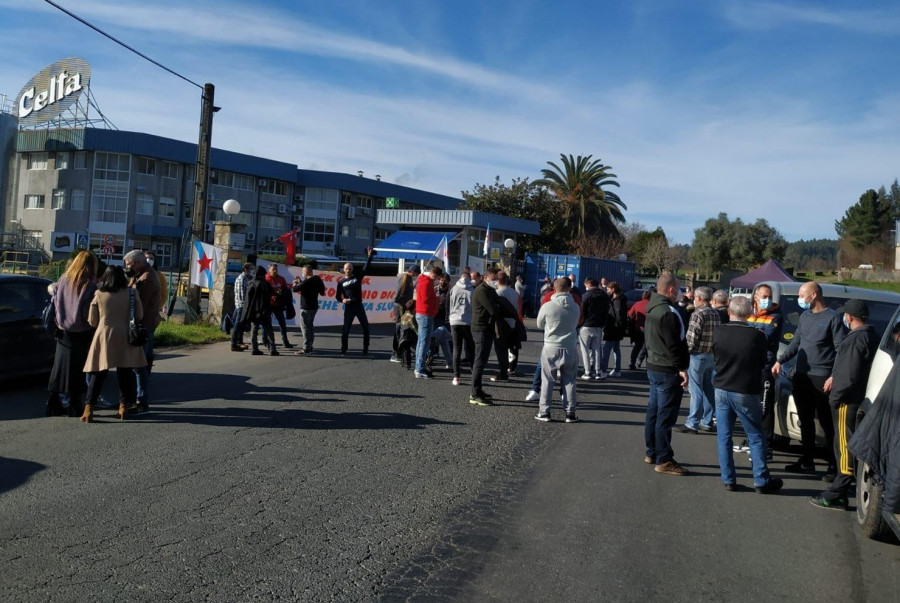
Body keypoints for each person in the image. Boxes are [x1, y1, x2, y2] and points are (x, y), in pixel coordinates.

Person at [810, 300, 879, 510]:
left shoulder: (856, 339)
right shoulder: (870, 335)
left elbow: (849, 375)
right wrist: (834, 376)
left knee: (844, 446)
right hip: (855, 397)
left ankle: (838, 492)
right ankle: (842, 486)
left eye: (845, 316)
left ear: (849, 317)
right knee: (845, 444)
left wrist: (835, 397)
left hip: (846, 401)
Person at [772, 281, 845, 476]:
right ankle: (807, 459)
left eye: (802, 295)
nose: (800, 299)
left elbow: (840, 350)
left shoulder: (833, 318)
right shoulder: (805, 316)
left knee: (826, 421)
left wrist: (834, 375)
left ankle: (833, 463)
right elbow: (796, 343)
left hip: (822, 378)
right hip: (802, 375)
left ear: (813, 296)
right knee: (805, 420)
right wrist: (781, 360)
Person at [712, 296, 784, 493]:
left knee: (724, 436)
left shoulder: (719, 331)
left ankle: (728, 478)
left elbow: (715, 355)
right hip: (745, 389)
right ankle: (761, 480)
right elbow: (762, 362)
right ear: (750, 313)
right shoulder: (757, 336)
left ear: (729, 312)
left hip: (721, 387)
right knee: (755, 434)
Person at [82, 265, 147, 422]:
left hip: (104, 335)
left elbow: (92, 321)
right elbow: (139, 315)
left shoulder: (99, 294)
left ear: (106, 277)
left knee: (98, 372)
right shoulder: (132, 293)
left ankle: (89, 408)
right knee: (125, 373)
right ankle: (123, 406)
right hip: (126, 335)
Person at [643, 274, 690, 476]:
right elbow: (674, 344)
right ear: (671, 290)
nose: (679, 292)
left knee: (654, 411)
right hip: (668, 368)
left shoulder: (652, 307)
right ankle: (664, 458)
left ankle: (652, 451)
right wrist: (682, 368)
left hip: (654, 365)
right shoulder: (668, 312)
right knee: (665, 416)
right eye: (678, 288)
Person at [46, 251, 98, 417]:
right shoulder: (89, 285)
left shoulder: (63, 280)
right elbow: (87, 312)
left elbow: (55, 302)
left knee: (59, 368)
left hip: (62, 330)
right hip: (82, 331)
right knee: (78, 370)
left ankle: (52, 402)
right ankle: (75, 405)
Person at [534, 277, 582, 423]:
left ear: (554, 289)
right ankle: (570, 413)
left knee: (547, 380)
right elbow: (578, 322)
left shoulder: (548, 306)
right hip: (570, 347)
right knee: (569, 381)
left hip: (551, 346)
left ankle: (544, 411)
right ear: (569, 288)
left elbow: (539, 324)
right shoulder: (576, 307)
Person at [747, 283, 782, 457]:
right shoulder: (750, 314)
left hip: (765, 367)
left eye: (769, 297)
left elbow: (765, 337)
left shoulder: (775, 316)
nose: (767, 300)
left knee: (765, 406)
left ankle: (767, 444)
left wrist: (750, 335)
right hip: (748, 367)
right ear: (755, 297)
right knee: (749, 405)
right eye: (764, 296)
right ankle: (751, 438)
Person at [124, 249, 161, 414]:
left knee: (140, 365)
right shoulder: (141, 274)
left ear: (138, 263)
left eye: (129, 265)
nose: (127, 268)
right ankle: (140, 398)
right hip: (145, 324)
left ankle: (141, 400)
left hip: (143, 325)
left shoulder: (146, 279)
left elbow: (139, 304)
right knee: (141, 364)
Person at [680, 286, 720, 434]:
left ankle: (692, 423)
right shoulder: (715, 312)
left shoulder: (698, 314)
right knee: (709, 388)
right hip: (711, 355)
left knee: (696, 390)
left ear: (698, 298)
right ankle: (707, 421)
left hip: (698, 355)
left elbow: (691, 338)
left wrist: (686, 354)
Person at [469, 268, 502, 405]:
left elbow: (498, 303)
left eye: (497, 279)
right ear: (486, 277)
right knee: (479, 361)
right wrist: (496, 306)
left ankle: (479, 390)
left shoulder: (490, 290)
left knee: (482, 361)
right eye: (494, 279)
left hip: (487, 328)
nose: (496, 282)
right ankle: (475, 394)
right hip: (480, 328)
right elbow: (493, 309)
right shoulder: (481, 290)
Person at [336, 247, 376, 355]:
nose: (348, 270)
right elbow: (337, 297)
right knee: (346, 329)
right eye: (346, 268)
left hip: (358, 306)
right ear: (343, 270)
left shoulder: (357, 277)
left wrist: (369, 257)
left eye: (350, 268)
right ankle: (343, 349)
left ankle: (365, 349)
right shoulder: (341, 282)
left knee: (366, 327)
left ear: (352, 269)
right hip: (349, 308)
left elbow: (366, 267)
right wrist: (343, 300)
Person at [291, 265, 326, 355]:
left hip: (306, 307)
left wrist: (295, 282)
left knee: (305, 328)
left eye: (303, 272)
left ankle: (306, 348)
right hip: (314, 307)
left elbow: (295, 289)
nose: (302, 273)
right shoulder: (317, 279)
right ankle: (310, 345)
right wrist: (302, 282)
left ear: (306, 272)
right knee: (310, 326)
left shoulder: (307, 281)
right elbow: (322, 291)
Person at [413, 264, 441, 378]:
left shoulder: (423, 281)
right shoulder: (426, 283)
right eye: (437, 277)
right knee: (424, 342)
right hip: (425, 313)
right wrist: (438, 298)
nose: (437, 280)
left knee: (421, 342)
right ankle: (420, 369)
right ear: (434, 274)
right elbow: (426, 299)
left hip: (422, 313)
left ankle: (418, 367)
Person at [243, 266, 278, 356]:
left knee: (254, 330)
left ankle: (255, 349)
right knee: (269, 330)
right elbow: (273, 293)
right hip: (264, 311)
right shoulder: (265, 284)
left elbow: (247, 300)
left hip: (254, 312)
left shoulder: (251, 283)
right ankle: (272, 349)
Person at [579, 277, 609, 380]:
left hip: (586, 325)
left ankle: (587, 372)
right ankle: (598, 371)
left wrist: (581, 323)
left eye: (586, 285)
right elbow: (606, 311)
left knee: (585, 350)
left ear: (589, 284)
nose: (585, 287)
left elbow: (582, 311)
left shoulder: (586, 295)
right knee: (597, 349)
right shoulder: (604, 295)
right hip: (598, 326)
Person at [449, 272, 475, 386]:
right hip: (468, 321)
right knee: (470, 348)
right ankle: (474, 374)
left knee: (457, 349)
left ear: (460, 278)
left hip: (455, 320)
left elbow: (449, 304)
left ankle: (456, 376)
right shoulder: (472, 290)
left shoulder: (454, 288)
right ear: (469, 279)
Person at [390, 265, 420, 362]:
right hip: (400, 305)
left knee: (404, 327)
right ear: (412, 272)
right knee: (399, 327)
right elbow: (398, 290)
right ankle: (395, 353)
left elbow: (411, 287)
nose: (416, 275)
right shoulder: (403, 277)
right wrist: (396, 302)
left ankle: (400, 352)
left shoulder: (409, 278)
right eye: (416, 274)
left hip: (404, 305)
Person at [494, 271, 520, 379]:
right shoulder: (514, 292)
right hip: (513, 322)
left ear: (497, 281)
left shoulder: (497, 292)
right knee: (513, 347)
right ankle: (512, 368)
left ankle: (503, 371)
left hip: (501, 323)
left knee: (501, 348)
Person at [600, 281, 627, 378]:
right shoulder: (620, 299)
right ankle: (617, 370)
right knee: (616, 349)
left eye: (608, 289)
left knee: (606, 349)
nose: (607, 291)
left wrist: (618, 326)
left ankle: (603, 370)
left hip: (613, 328)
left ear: (613, 289)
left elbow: (618, 314)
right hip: (617, 328)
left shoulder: (617, 301)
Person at [266, 263, 294, 349]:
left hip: (279, 305)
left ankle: (285, 341)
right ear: (269, 270)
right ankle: (266, 341)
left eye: (276, 269)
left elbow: (285, 290)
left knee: (282, 323)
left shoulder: (281, 279)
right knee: (267, 324)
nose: (275, 271)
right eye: (273, 269)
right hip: (269, 304)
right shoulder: (266, 279)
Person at [430, 272, 453, 370]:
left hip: (447, 317)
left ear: (448, 282)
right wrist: (438, 300)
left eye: (445, 281)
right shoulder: (434, 289)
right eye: (441, 280)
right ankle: (431, 356)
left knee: (449, 339)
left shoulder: (451, 291)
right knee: (433, 337)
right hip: (435, 316)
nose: (443, 282)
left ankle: (450, 359)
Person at [231, 262, 254, 352]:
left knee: (242, 324)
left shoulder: (247, 278)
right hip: (241, 305)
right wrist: (246, 305)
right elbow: (242, 295)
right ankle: (234, 343)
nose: (251, 271)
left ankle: (240, 342)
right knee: (238, 324)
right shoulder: (242, 279)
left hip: (243, 305)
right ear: (245, 269)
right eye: (250, 269)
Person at [627, 290, 651, 370]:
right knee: (647, 347)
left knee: (637, 346)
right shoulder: (652, 305)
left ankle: (632, 362)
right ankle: (645, 363)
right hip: (648, 328)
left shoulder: (637, 304)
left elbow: (630, 314)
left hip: (638, 328)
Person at [397, 300, 419, 370]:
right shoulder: (412, 317)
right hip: (410, 339)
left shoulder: (403, 316)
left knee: (406, 348)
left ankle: (407, 363)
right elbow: (415, 329)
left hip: (402, 338)